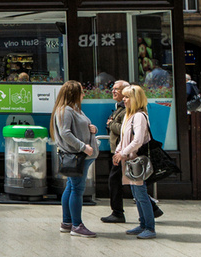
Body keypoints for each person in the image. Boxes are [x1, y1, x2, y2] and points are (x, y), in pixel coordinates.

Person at [50, 80, 99, 238]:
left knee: (71, 187)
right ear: (74, 94)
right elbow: (66, 133)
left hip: (82, 155)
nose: (84, 95)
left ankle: (67, 223)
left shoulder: (75, 109)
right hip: (77, 156)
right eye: (81, 92)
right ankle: (77, 225)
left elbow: (83, 126)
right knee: (77, 189)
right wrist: (83, 147)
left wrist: (93, 129)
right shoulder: (66, 111)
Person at [113, 84, 156, 239]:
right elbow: (124, 137)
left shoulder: (139, 116)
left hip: (136, 160)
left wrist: (122, 152)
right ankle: (143, 223)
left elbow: (137, 140)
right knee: (136, 193)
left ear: (135, 99)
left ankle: (149, 227)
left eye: (126, 97)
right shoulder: (129, 115)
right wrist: (119, 152)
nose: (123, 100)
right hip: (130, 160)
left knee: (140, 193)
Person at [101, 79, 130, 224]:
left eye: (117, 89)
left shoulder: (127, 110)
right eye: (112, 88)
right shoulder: (119, 107)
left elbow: (124, 130)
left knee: (115, 181)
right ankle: (153, 208)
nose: (113, 91)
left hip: (122, 151)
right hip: (118, 150)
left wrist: (111, 124)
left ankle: (117, 212)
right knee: (133, 181)